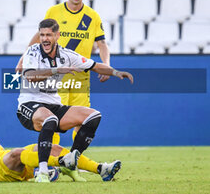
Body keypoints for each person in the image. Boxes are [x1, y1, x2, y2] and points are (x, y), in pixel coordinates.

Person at [16, 19, 133, 182]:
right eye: (42, 35)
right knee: (49, 119)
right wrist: (56, 70)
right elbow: (30, 76)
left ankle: (71, 159)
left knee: (93, 116)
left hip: (53, 105)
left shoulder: (66, 55)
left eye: (48, 35)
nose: (44, 39)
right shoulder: (32, 52)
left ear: (57, 35)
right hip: (29, 105)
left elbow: (94, 65)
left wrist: (115, 72)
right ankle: (42, 172)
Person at [16, 0, 111, 143]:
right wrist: (22, 59)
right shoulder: (54, 12)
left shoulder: (92, 16)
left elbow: (102, 43)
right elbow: (40, 36)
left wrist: (107, 65)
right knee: (52, 120)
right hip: (57, 78)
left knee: (83, 120)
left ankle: (74, 160)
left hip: (80, 77)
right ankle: (52, 160)